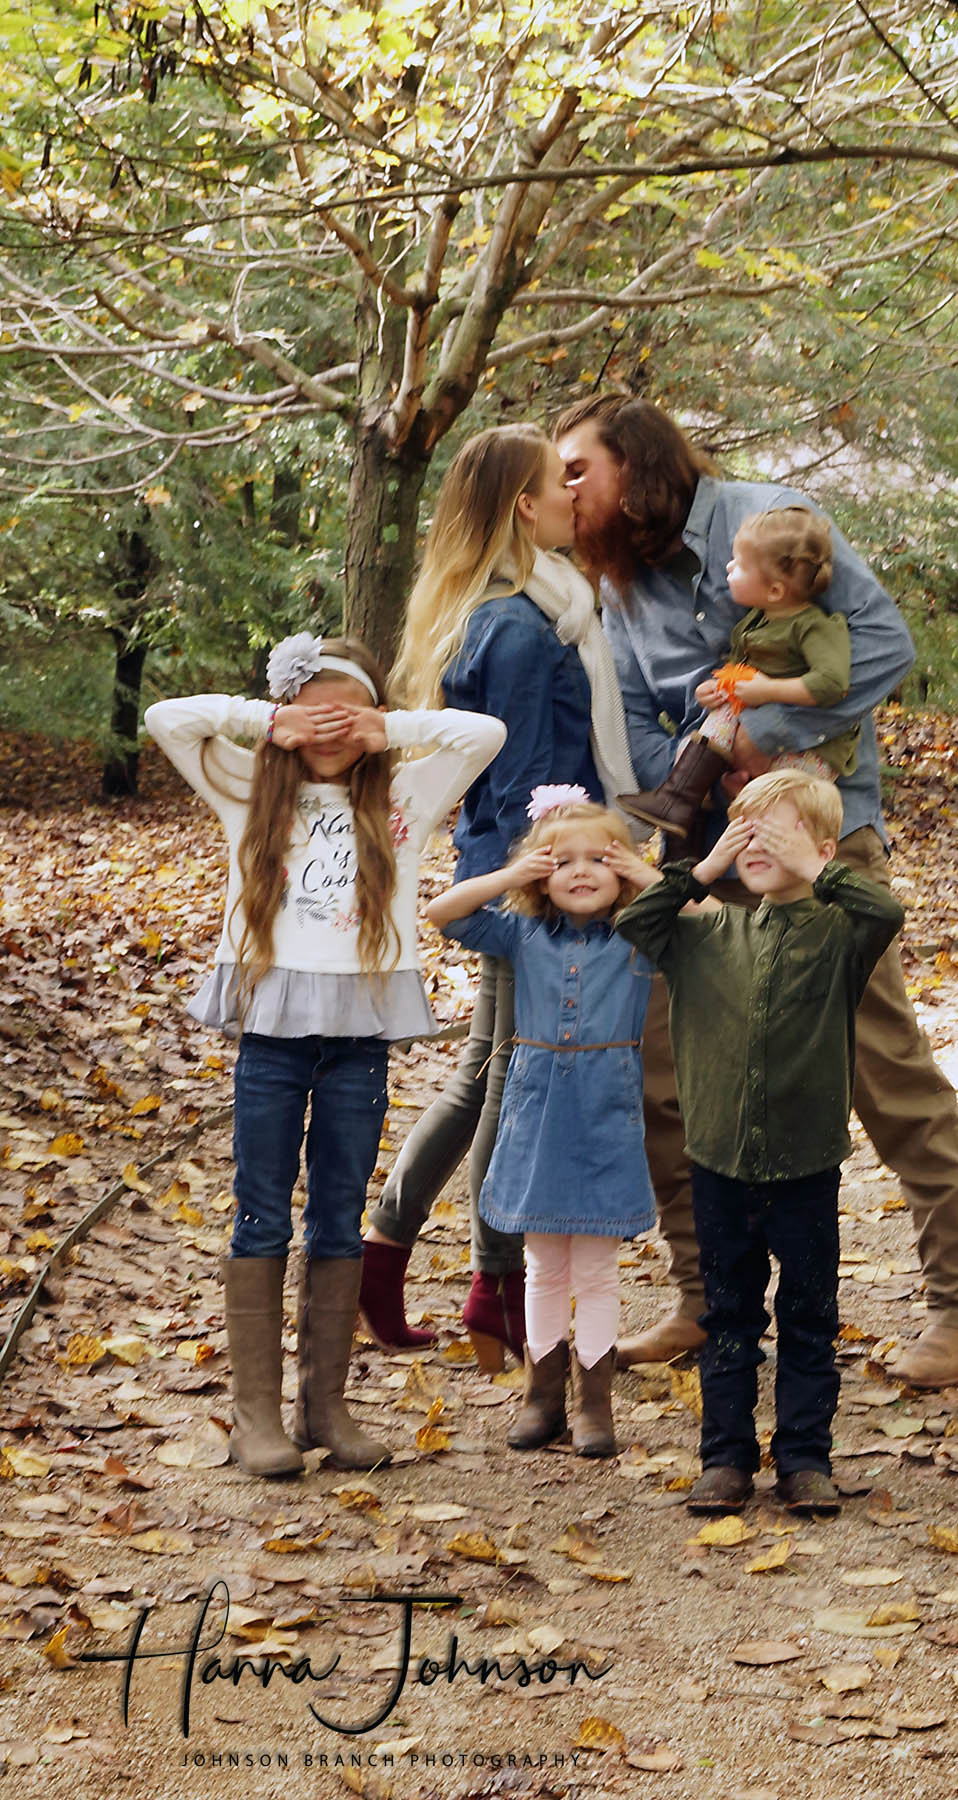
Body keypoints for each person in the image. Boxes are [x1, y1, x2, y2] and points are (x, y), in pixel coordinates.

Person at [555, 394, 958, 1389]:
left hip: (812, 843)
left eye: (578, 468)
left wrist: (765, 743)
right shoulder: (615, 583)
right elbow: (628, 724)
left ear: (636, 463)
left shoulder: (772, 521)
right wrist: (669, 817)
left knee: (880, 1066)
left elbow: (882, 648)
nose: (564, 488)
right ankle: (704, 1300)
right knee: (662, 1073)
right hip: (699, 857)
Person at [144, 636, 505, 1477]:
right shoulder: (245, 785)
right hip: (271, 1033)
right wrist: (269, 721)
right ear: (286, 718)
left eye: (350, 715)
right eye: (316, 714)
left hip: (358, 1038)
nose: (332, 730)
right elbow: (167, 718)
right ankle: (256, 1418)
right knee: (262, 1209)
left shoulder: (405, 794)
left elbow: (483, 733)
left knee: (340, 1212)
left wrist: (390, 728)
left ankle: (325, 1408)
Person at [361, 425, 640, 1372]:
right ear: (525, 506)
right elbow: (523, 788)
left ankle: (393, 1260)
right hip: (531, 880)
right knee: (508, 1076)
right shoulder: (518, 626)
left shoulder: (521, 606)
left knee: (487, 1070)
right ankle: (493, 1281)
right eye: (558, 481)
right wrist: (549, 886)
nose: (574, 493)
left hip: (524, 869)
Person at [617, 771, 903, 1513]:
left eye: (778, 830)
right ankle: (726, 1458)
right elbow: (636, 921)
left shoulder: (840, 935)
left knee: (809, 1316)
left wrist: (816, 870)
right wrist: (703, 867)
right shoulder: (705, 933)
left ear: (823, 850)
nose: (757, 841)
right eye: (744, 826)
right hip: (719, 1164)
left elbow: (884, 909)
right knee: (728, 1316)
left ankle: (805, 1458)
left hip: (806, 1164)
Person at [427, 792, 657, 1457]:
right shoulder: (521, 934)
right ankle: (542, 1396)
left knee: (597, 1269)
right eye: (563, 861)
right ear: (541, 874)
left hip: (605, 1112)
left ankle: (594, 1406)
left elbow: (703, 918)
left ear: (621, 870)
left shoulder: (640, 936)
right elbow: (443, 913)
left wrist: (643, 875)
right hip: (538, 1110)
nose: (581, 871)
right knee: (543, 1265)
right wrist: (510, 875)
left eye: (600, 859)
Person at [619, 505, 859, 839]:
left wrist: (768, 690)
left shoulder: (814, 626)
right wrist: (715, 689)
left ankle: (693, 804)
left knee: (782, 814)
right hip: (758, 729)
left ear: (775, 590)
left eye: (740, 564)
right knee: (716, 720)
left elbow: (832, 683)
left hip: (810, 749)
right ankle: (679, 800)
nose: (728, 568)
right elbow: (739, 672)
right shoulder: (755, 622)